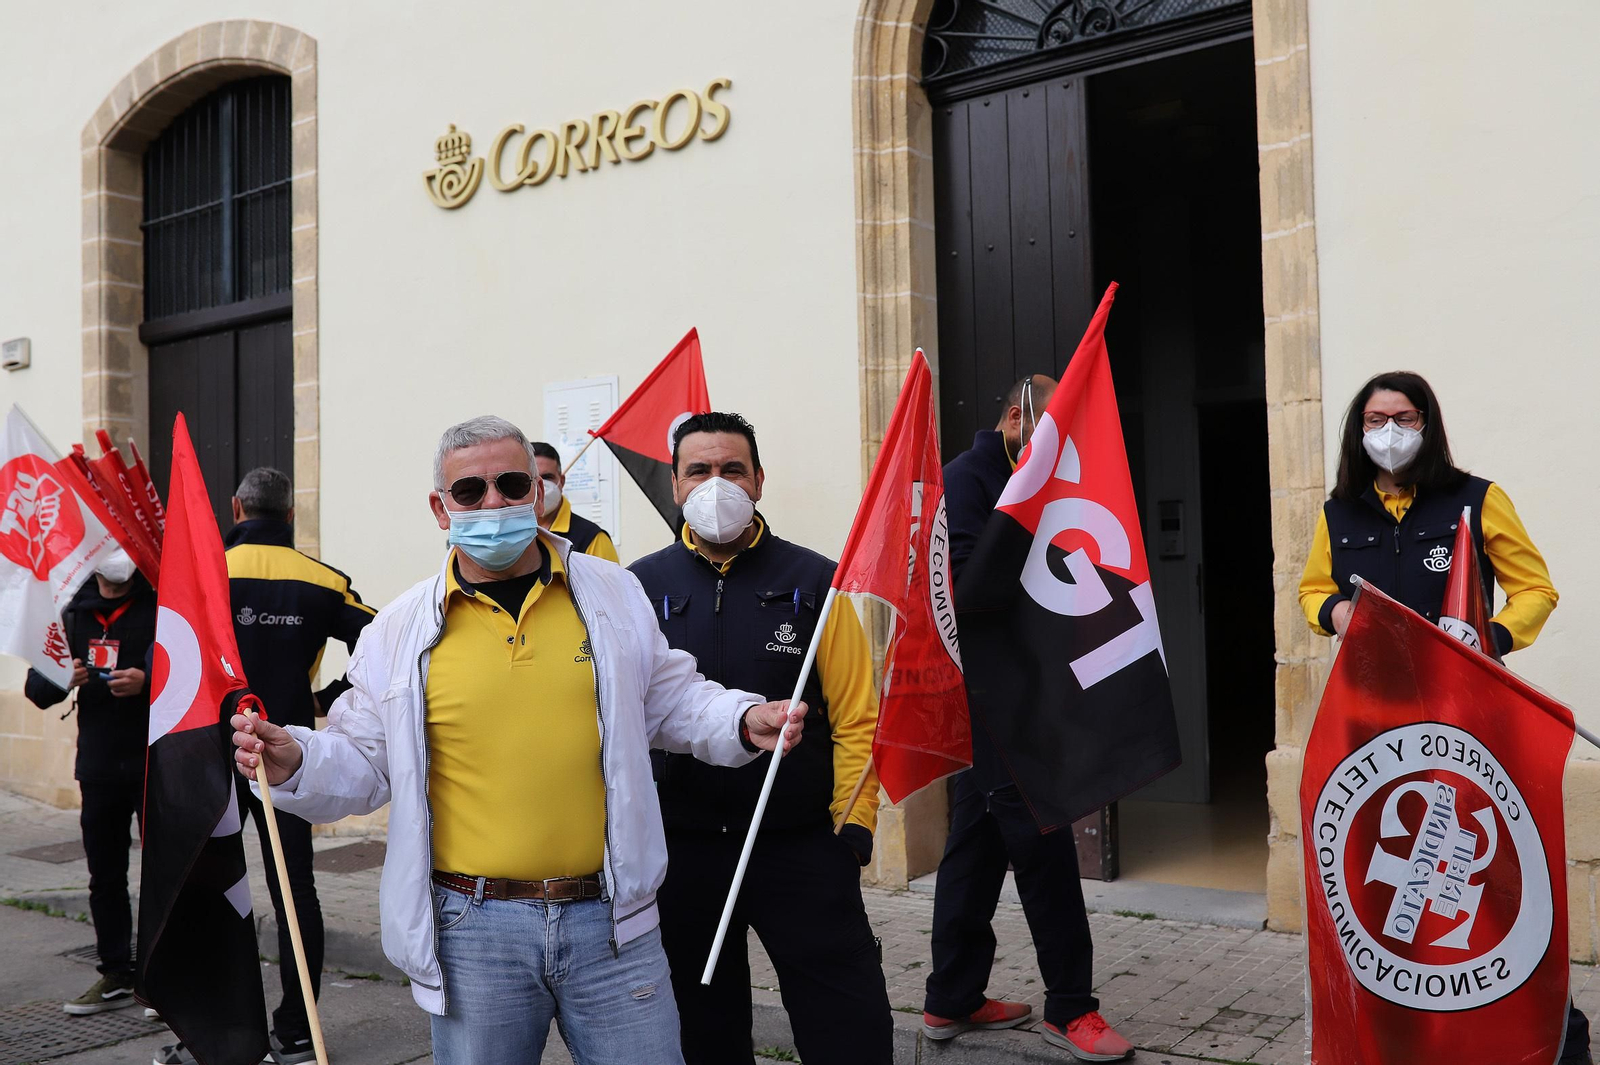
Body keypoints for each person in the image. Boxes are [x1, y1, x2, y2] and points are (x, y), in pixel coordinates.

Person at [228, 416, 807, 1065]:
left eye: (510, 484)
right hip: (473, 933)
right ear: (440, 507)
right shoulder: (399, 629)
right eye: (470, 491)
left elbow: (672, 696)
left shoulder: (612, 590)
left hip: (615, 924)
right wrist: (296, 757)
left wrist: (739, 717)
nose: (493, 502)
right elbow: (364, 757)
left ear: (538, 492)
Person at [1299, 370, 1587, 1064]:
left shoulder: (1477, 499)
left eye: (1402, 416)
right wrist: (1334, 612)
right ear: (1357, 429)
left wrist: (1493, 635)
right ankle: (1405, 1033)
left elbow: (1536, 589)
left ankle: (1553, 1035)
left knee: (1482, 883)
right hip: (1375, 731)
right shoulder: (1340, 512)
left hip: (1468, 731)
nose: (1387, 430)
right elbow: (1314, 589)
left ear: (1427, 423)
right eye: (1373, 418)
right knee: (1389, 884)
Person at [629, 412, 892, 1065]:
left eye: (732, 469)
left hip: (801, 850)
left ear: (759, 480)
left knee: (849, 1031)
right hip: (682, 854)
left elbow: (860, 717)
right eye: (700, 470)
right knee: (703, 1036)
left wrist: (851, 832)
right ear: (675, 486)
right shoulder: (635, 588)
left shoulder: (817, 583)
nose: (716, 483)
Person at [922, 375, 1136, 1061]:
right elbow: (966, 588)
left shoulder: (1030, 477)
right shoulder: (970, 477)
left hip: (1024, 693)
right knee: (1046, 849)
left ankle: (950, 997)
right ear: (1016, 416)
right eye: (1050, 434)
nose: (1058, 451)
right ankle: (1071, 1008)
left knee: (974, 848)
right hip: (996, 701)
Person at [212, 468, 376, 1064]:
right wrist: (326, 700)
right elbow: (383, 639)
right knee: (293, 888)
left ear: (236, 508)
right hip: (285, 754)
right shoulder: (324, 580)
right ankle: (298, 1028)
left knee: (208, 887)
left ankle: (215, 1026)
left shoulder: (205, 572)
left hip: (211, 753)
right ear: (290, 515)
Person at [23, 548, 155, 1015]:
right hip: (99, 766)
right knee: (105, 875)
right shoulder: (70, 613)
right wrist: (64, 677)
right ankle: (116, 972)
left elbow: (186, 671)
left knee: (161, 872)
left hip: (150, 762)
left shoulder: (158, 603)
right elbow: (35, 691)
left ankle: (163, 979)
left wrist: (148, 681)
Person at [531, 440, 619, 561]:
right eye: (532, 478)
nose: (540, 487)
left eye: (547, 477)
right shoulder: (506, 533)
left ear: (561, 482)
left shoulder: (592, 539)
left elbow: (610, 580)